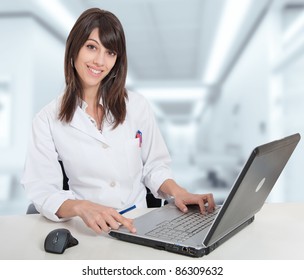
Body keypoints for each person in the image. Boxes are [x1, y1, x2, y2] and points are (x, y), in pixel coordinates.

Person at [21, 8, 215, 234]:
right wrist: (82, 207)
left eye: (110, 52)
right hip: (87, 229)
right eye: (91, 47)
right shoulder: (47, 120)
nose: (100, 61)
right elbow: (43, 190)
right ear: (74, 49)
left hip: (140, 223)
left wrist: (178, 191)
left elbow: (154, 166)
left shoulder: (137, 105)